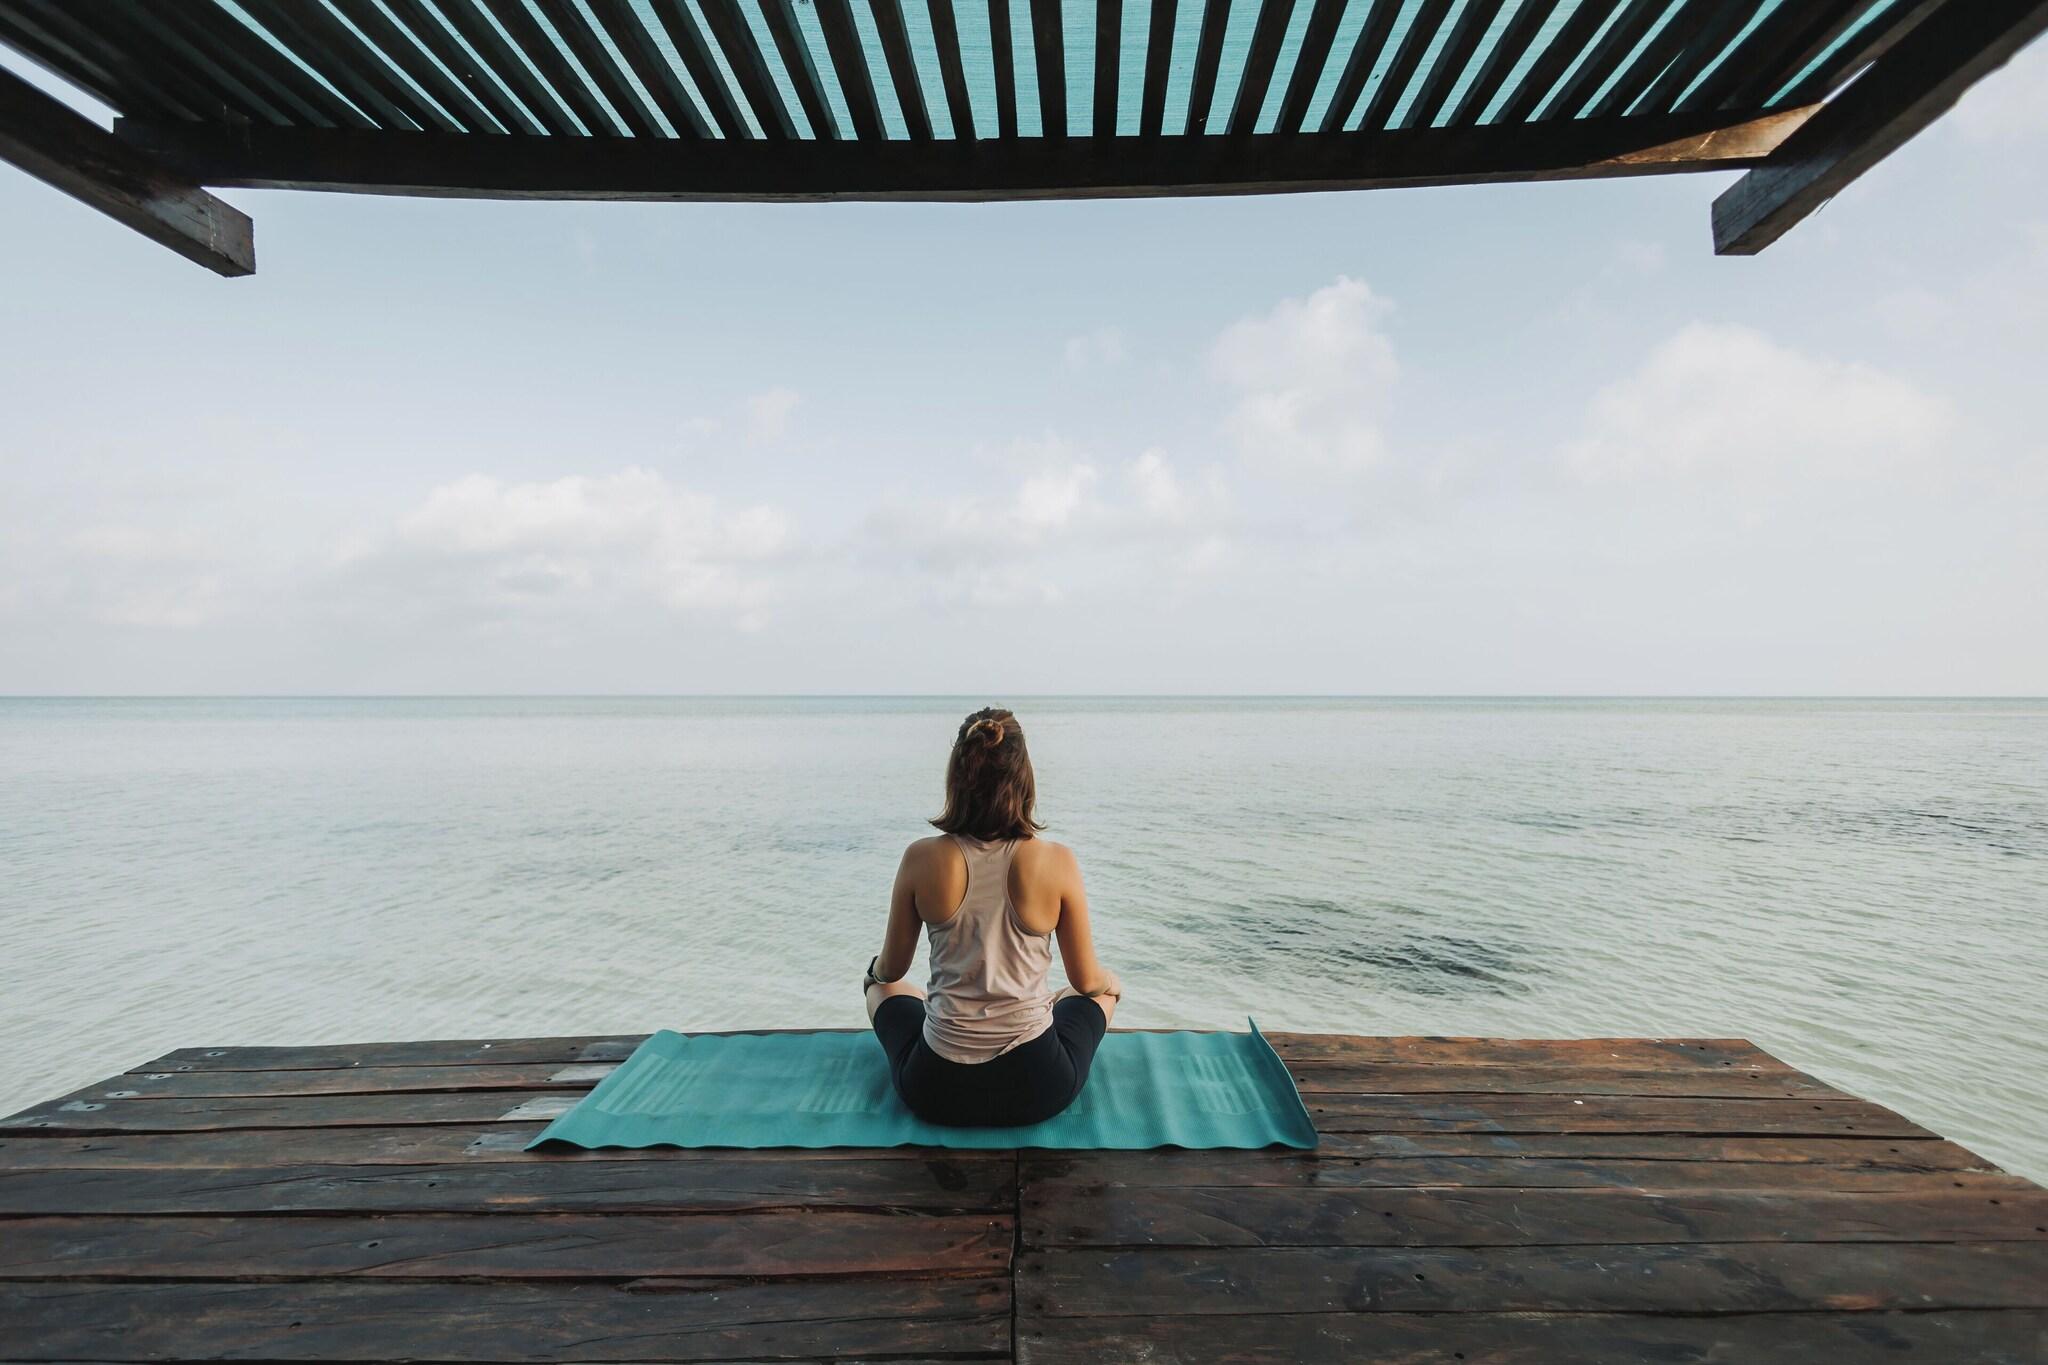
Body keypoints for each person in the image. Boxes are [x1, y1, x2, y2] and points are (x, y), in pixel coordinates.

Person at [863, 706, 1123, 1126]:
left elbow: (891, 971)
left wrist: (872, 974)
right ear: (1025, 779)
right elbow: (1086, 982)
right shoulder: (1057, 860)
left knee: (881, 992)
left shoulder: (920, 858)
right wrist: (1112, 983)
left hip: (936, 1089)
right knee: (1093, 996)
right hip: (1038, 1086)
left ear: (957, 777)